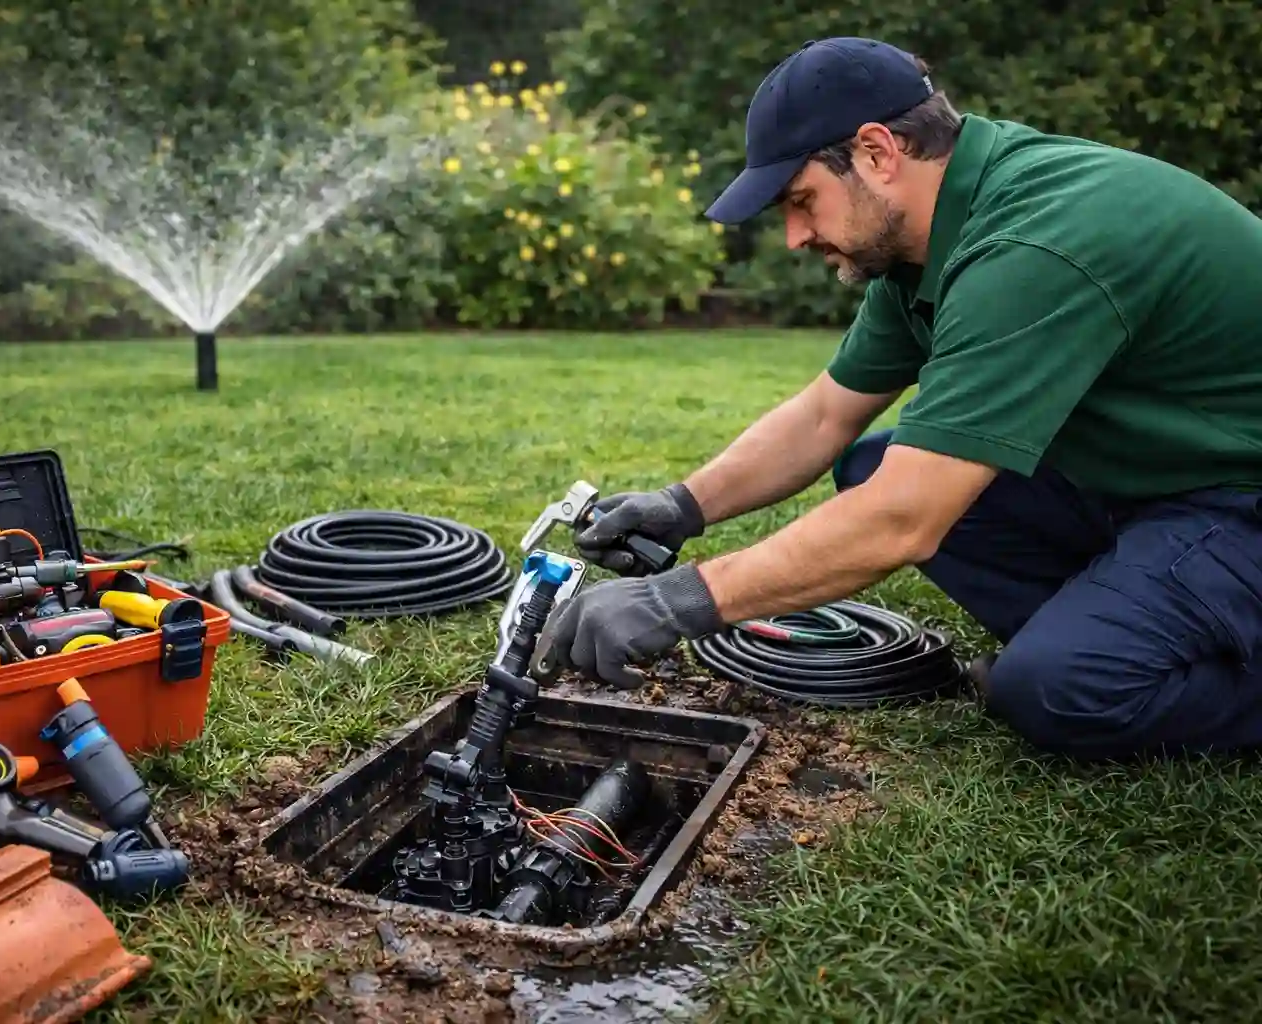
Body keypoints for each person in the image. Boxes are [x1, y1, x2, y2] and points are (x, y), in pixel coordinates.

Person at [537, 36, 1262, 762]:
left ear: (878, 152)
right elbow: (827, 414)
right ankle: (1107, 624)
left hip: (1236, 499)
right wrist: (682, 505)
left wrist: (680, 602)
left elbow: (903, 520)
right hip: (1154, 482)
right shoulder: (927, 243)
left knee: (1052, 690)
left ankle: (1117, 655)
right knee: (867, 463)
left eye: (801, 201)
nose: (794, 236)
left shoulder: (1034, 248)